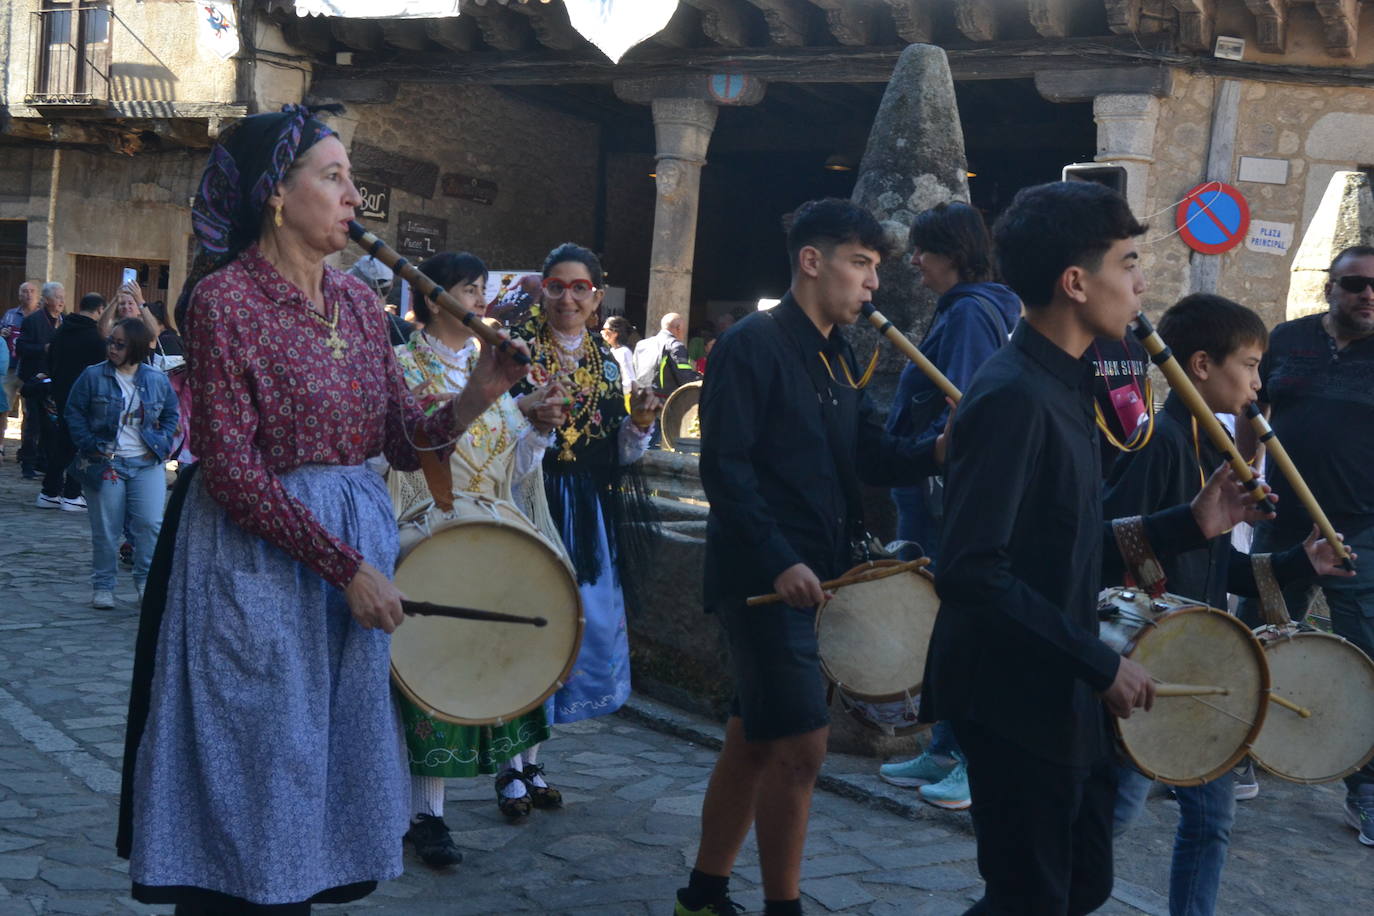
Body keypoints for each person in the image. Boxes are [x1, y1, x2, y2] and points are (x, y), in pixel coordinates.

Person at [114, 104, 530, 913]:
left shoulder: (360, 306)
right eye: (333, 177)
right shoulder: (225, 302)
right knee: (256, 771)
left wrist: (482, 391)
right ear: (277, 193)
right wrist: (349, 567)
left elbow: (403, 441)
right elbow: (231, 470)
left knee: (318, 774)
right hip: (255, 565)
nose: (353, 198)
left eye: (353, 180)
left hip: (348, 567)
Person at [920, 181, 1277, 915]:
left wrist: (1191, 522)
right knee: (1033, 895)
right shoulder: (1014, 395)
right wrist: (1098, 662)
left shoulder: (1069, 387)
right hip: (1015, 691)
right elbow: (972, 571)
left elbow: (1070, 546)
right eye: (1129, 262)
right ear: (1076, 283)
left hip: (1061, 682)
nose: (1142, 284)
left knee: (1080, 886)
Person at [678, 199, 950, 916]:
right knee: (802, 749)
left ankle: (702, 896)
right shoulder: (750, 345)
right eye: (860, 264)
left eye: (875, 269)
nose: (872, 285)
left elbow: (872, 455)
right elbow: (725, 472)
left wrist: (940, 449)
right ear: (811, 261)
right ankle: (784, 908)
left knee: (754, 741)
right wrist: (778, 562)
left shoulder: (840, 354)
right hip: (764, 583)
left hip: (820, 582)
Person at [1104, 293, 1353, 916]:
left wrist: (1303, 562)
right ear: (1202, 365)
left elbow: (1225, 569)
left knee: (1212, 819)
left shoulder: (1216, 450)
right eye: (1249, 364)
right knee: (1114, 811)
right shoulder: (1157, 443)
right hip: (1151, 657)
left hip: (1209, 658)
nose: (1258, 381)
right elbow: (1113, 543)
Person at [385, 249, 569, 862]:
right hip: (425, 533)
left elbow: (512, 470)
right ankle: (425, 814)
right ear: (435, 297)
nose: (482, 300)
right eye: (469, 288)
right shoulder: (402, 366)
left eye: (484, 289)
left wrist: (536, 425)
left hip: (487, 533)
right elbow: (390, 454)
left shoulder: (494, 367)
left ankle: (507, 775)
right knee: (426, 672)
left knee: (483, 660)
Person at [877, 201, 1020, 811]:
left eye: (924, 252)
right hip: (939, 487)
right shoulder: (990, 307)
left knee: (955, 620)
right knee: (946, 620)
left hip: (942, 490)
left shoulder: (967, 316)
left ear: (954, 255)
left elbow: (957, 406)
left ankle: (968, 757)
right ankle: (943, 743)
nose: (916, 263)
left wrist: (918, 453)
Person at [1235, 244, 1374, 847]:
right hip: (1284, 523)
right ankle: (1233, 756)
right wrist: (1247, 474)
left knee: (1362, 660)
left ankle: (1365, 788)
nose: (1369, 295)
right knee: (1256, 639)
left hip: (1363, 533)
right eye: (1357, 284)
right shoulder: (1286, 340)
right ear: (1330, 288)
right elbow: (1251, 410)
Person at [511, 243, 660, 739]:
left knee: (574, 622)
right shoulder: (516, 352)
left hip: (583, 509)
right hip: (526, 500)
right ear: (542, 291)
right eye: (557, 286)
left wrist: (638, 423)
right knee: (523, 620)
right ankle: (512, 761)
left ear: (597, 299)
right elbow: (487, 436)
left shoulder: (605, 361)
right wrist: (527, 416)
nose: (567, 299)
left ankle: (535, 759)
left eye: (580, 289)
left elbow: (616, 453)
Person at [65, 318, 180, 609]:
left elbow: (171, 414)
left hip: (146, 463)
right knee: (106, 529)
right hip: (107, 464)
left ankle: (145, 583)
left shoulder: (155, 379)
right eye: (111, 342)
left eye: (120, 344)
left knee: (150, 524)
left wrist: (163, 444)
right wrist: (90, 443)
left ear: (137, 348)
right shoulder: (93, 376)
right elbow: (73, 412)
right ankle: (103, 586)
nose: (112, 348)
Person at [36, 291, 109, 512]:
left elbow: (48, 359)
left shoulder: (60, 331)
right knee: (79, 445)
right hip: (85, 398)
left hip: (60, 393)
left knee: (64, 443)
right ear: (99, 310)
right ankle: (71, 494)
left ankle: (49, 491)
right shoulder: (95, 338)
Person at [17, 283, 66, 479]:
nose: (62, 301)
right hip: (35, 379)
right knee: (33, 423)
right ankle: (28, 463)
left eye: (63, 297)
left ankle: (44, 461)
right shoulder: (33, 321)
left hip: (56, 379)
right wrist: (42, 348)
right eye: (58, 297)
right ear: (47, 300)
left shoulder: (65, 321)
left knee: (51, 425)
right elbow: (20, 348)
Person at [2, 280, 40, 461]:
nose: (28, 294)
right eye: (24, 291)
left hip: (30, 371)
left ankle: (25, 451)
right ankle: (1, 447)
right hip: (10, 369)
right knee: (2, 409)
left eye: (32, 291)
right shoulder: (10, 315)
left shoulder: (41, 317)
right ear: (19, 295)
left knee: (30, 412)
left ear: (38, 295)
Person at [633, 311, 700, 397]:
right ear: (679, 328)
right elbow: (685, 378)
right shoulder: (675, 345)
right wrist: (702, 378)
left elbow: (634, 370)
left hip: (639, 398)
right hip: (662, 402)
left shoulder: (641, 344)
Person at [601, 315, 637, 397]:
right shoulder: (610, 350)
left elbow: (629, 378)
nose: (601, 332)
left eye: (605, 329)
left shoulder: (624, 352)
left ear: (614, 333)